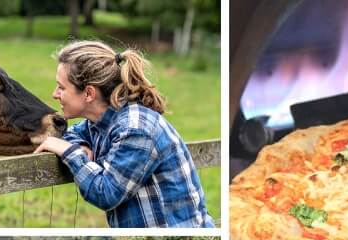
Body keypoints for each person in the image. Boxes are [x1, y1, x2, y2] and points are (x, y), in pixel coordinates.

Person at [33, 40, 213, 228]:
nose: (55, 94)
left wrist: (71, 152)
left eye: (61, 87)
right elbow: (72, 133)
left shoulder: (136, 129)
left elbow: (106, 194)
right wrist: (82, 145)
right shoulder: (100, 121)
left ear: (88, 94)